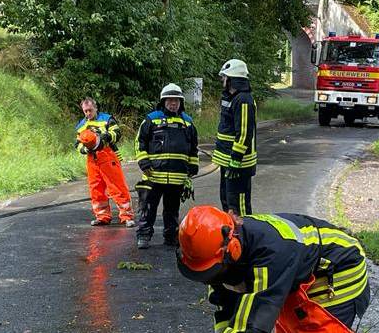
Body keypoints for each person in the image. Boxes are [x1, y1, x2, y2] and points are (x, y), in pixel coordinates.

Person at [176, 206, 371, 333]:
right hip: (298, 271)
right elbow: (225, 305)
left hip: (338, 268)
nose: (209, 279)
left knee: (313, 328)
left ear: (232, 249)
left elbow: (257, 320)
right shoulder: (221, 256)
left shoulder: (269, 253)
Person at [134, 84, 199, 249]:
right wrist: (144, 162)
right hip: (153, 174)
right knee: (147, 208)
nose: (173, 103)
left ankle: (170, 237)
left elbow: (193, 147)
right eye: (170, 100)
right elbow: (139, 142)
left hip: (177, 177)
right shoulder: (151, 119)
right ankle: (143, 236)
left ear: (181, 102)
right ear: (163, 101)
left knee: (172, 210)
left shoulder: (188, 123)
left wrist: (193, 167)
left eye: (176, 100)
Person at [75, 97, 135, 227]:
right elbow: (78, 144)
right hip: (92, 159)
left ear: (96, 108)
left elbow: (117, 133)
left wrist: (106, 137)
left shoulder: (106, 119)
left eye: (90, 110)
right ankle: (102, 216)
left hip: (107, 155)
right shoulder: (81, 126)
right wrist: (85, 149)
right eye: (85, 111)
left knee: (117, 186)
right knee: (96, 188)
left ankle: (126, 216)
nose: (88, 114)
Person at [213, 59, 257, 215]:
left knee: (240, 207)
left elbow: (244, 133)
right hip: (227, 161)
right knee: (228, 202)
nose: (222, 80)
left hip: (239, 164)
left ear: (233, 79)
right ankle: (232, 236)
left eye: (224, 77)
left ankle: (245, 236)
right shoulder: (229, 98)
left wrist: (236, 160)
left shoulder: (244, 100)